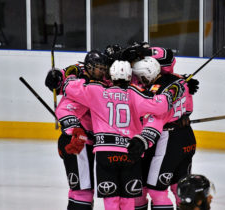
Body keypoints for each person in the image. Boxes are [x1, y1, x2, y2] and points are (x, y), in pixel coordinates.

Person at [62, 60, 181, 210]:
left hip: (105, 153)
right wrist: (173, 90)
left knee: (111, 200)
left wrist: (72, 72)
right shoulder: (135, 94)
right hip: (130, 152)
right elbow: (161, 106)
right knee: (128, 200)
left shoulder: (96, 91)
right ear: (130, 76)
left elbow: (69, 88)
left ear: (110, 76)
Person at [44, 50, 110, 210]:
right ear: (88, 67)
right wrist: (54, 76)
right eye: (98, 68)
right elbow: (64, 108)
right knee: (83, 190)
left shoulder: (99, 82)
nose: (102, 72)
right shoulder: (79, 82)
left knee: (80, 189)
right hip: (77, 140)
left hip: (85, 140)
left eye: (103, 68)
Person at [132, 55, 199, 210]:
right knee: (180, 187)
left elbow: (154, 119)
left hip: (167, 140)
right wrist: (184, 116)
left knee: (157, 191)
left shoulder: (156, 92)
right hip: (186, 136)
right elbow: (188, 109)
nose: (138, 80)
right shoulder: (181, 80)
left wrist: (143, 141)